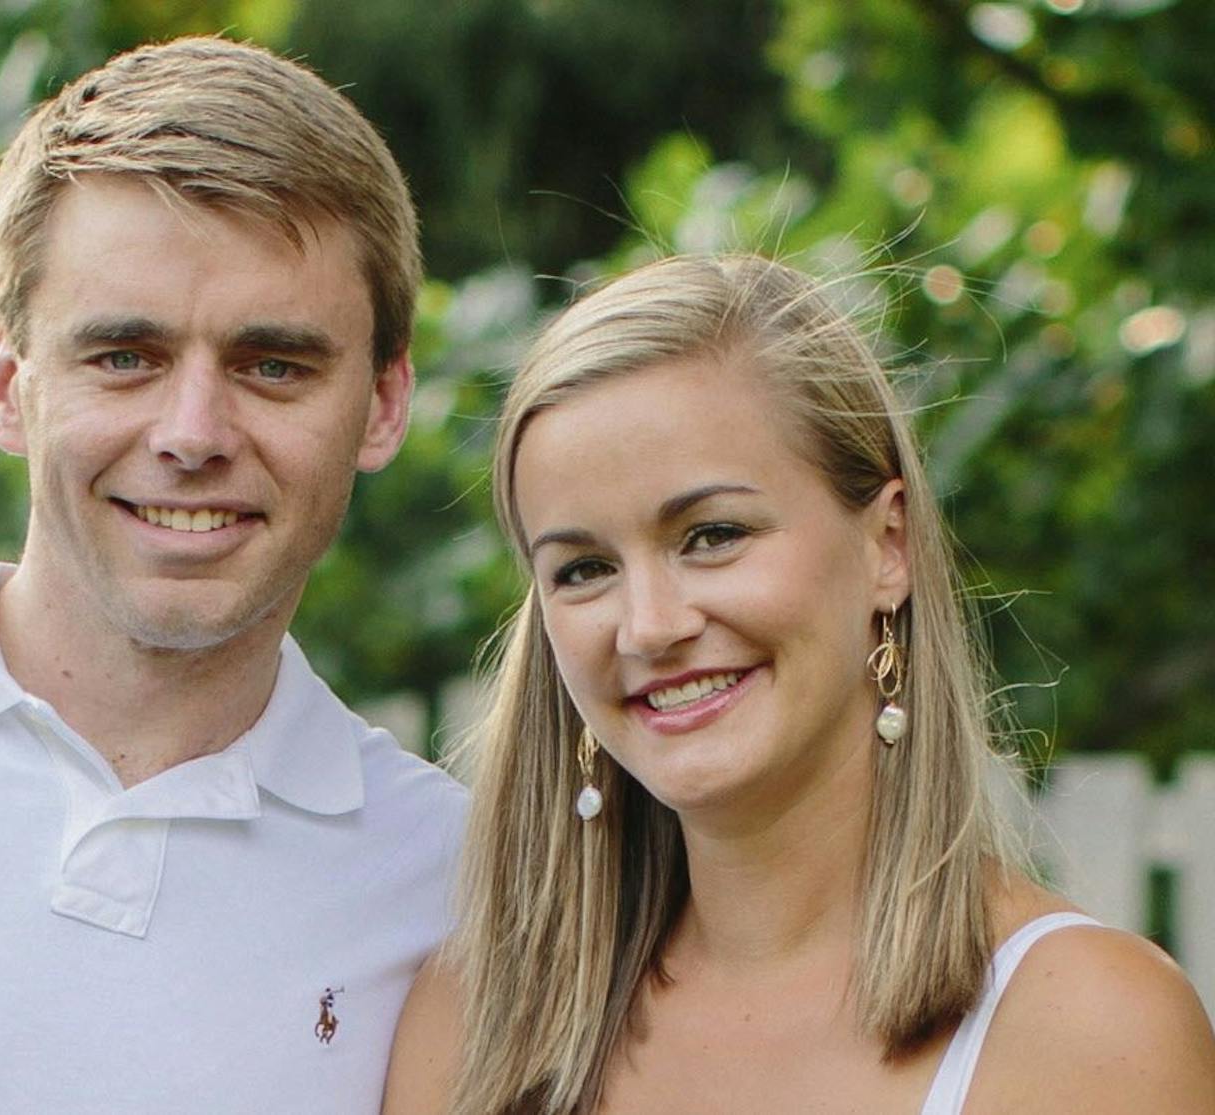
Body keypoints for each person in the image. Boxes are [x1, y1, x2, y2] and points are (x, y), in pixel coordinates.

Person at [0, 37, 466, 1113]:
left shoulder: (452, 884)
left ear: (383, 404)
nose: (192, 432)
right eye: (124, 355)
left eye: (272, 364)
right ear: (10, 386)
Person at [382, 253, 1215, 1113]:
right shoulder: (471, 1029)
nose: (650, 624)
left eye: (712, 534)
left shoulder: (1086, 1030)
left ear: (886, 545)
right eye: (584, 568)